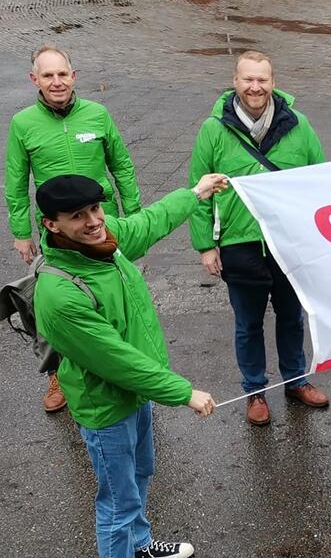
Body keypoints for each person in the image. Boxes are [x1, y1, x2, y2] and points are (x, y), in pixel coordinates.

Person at [34, 172, 227, 558]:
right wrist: (183, 392)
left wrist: (195, 193)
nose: (92, 221)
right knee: (117, 505)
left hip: (137, 395)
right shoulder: (58, 294)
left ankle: (140, 545)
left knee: (139, 476)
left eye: (95, 208)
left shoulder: (106, 238)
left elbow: (150, 221)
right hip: (106, 408)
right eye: (77, 215)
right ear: (52, 224)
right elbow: (117, 361)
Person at [187, 50, 329, 426]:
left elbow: (320, 181)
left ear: (273, 82)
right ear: (235, 81)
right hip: (239, 241)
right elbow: (198, 190)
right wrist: (205, 245)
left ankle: (297, 381)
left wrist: (321, 236)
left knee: (292, 317)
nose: (255, 86)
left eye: (262, 80)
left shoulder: (298, 123)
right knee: (247, 323)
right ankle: (254, 391)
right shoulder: (214, 129)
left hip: (289, 243)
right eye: (248, 79)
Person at [5, 45, 143, 413]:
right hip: (58, 236)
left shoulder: (97, 114)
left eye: (62, 74)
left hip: (104, 226)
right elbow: (16, 183)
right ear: (35, 80)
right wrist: (21, 232)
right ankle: (59, 375)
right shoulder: (23, 124)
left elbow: (123, 166)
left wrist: (133, 213)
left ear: (73, 76)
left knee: (115, 299)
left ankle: (127, 369)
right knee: (55, 306)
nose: (56, 82)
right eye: (47, 75)